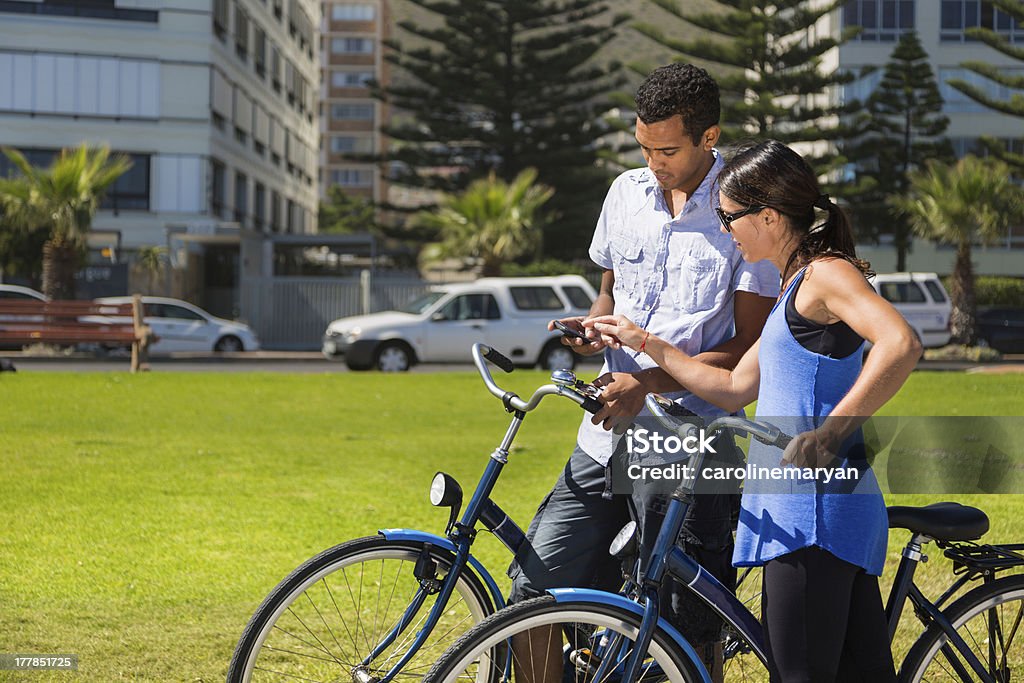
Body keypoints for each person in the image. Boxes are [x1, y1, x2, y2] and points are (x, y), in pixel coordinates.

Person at [586, 139, 922, 682]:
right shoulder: (795, 286)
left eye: (729, 216)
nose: (724, 228)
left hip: (813, 518)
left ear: (767, 215)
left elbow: (900, 343)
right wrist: (643, 341)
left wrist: (829, 435)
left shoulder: (825, 276)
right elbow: (732, 385)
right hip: (806, 516)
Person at [507, 63, 779, 680]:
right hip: (602, 437)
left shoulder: (744, 213)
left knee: (680, 623)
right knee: (534, 592)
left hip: (692, 443)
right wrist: (590, 331)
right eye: (644, 146)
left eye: (668, 149)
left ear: (709, 138)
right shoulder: (624, 193)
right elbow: (609, 295)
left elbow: (744, 351)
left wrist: (647, 382)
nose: (653, 161)